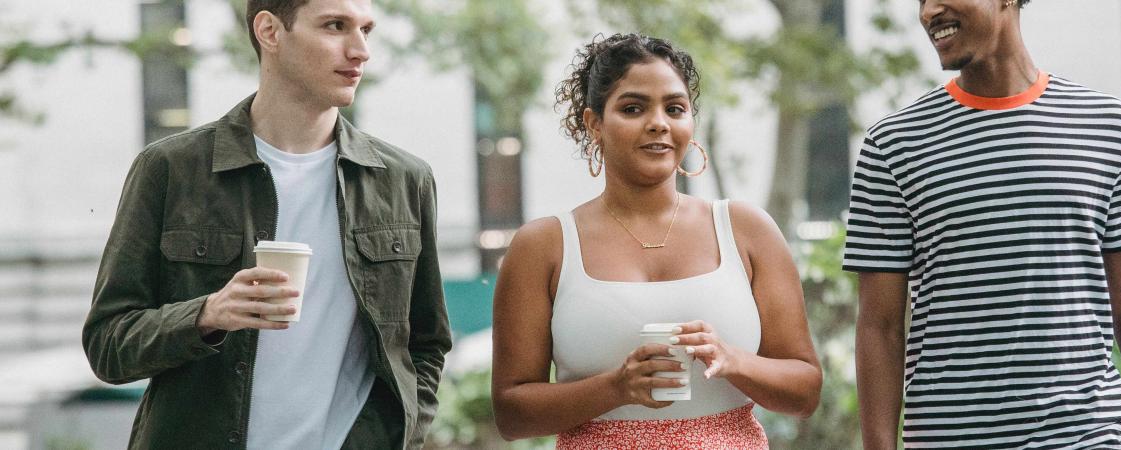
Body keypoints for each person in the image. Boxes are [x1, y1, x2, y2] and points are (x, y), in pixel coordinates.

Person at [81, 0, 451, 448]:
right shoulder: (172, 170)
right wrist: (207, 314)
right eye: (335, 26)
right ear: (270, 31)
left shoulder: (404, 181)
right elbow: (107, 345)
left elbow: (425, 344)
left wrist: (398, 436)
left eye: (366, 30)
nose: (360, 50)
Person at [845, 1, 1121, 448]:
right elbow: (880, 326)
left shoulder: (1105, 125)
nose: (929, 10)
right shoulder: (892, 146)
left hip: (1087, 436)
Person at [490, 33, 822, 449]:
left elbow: (805, 392)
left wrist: (734, 360)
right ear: (594, 123)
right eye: (633, 108)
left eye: (675, 108)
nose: (659, 123)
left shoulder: (746, 229)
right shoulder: (544, 246)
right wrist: (617, 387)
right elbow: (511, 413)